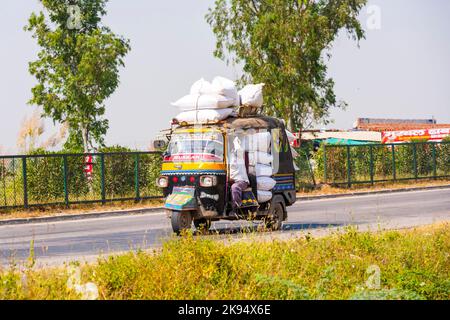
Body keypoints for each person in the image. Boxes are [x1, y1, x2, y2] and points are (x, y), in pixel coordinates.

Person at [229, 136, 249, 213]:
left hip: (241, 181)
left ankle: (236, 209)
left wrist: (235, 139)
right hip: (230, 180)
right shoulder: (227, 155)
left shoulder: (238, 154)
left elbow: (239, 149)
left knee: (235, 187)